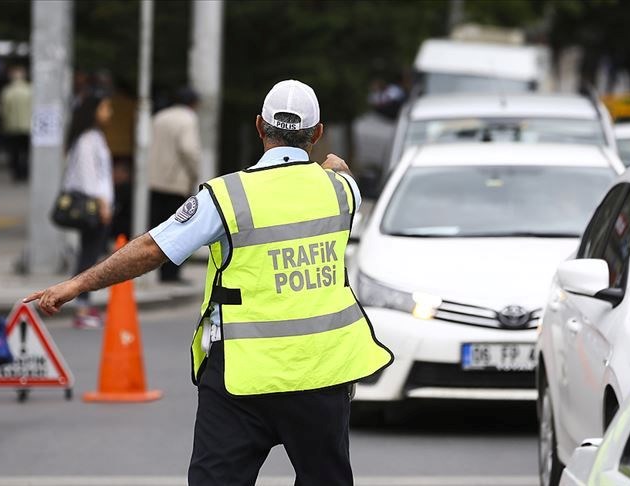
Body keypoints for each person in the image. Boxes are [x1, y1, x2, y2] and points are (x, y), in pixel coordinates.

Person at [25, 79, 393, 484]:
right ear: (318, 132)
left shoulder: (226, 196)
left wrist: (75, 286)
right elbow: (338, 169)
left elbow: (152, 249)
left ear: (259, 126)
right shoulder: (342, 191)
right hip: (322, 373)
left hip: (241, 376)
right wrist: (333, 165)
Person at [61, 89, 115, 329]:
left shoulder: (94, 136)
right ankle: (81, 305)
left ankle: (84, 302)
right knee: (88, 255)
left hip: (99, 204)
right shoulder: (86, 139)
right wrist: (102, 204)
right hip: (93, 205)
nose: (109, 112)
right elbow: (89, 177)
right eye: (105, 107)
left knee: (90, 253)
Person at [147, 86, 201, 283]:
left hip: (155, 180)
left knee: (158, 228)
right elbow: (188, 148)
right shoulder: (188, 119)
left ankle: (160, 271)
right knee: (179, 229)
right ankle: (172, 274)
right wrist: (194, 173)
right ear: (193, 103)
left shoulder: (159, 117)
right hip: (176, 182)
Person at [0, 66, 32, 182]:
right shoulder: (30, 90)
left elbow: (2, 110)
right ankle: (25, 172)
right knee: (26, 151)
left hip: (12, 126)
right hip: (28, 126)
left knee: (14, 151)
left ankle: (16, 172)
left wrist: (4, 123)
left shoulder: (7, 91)